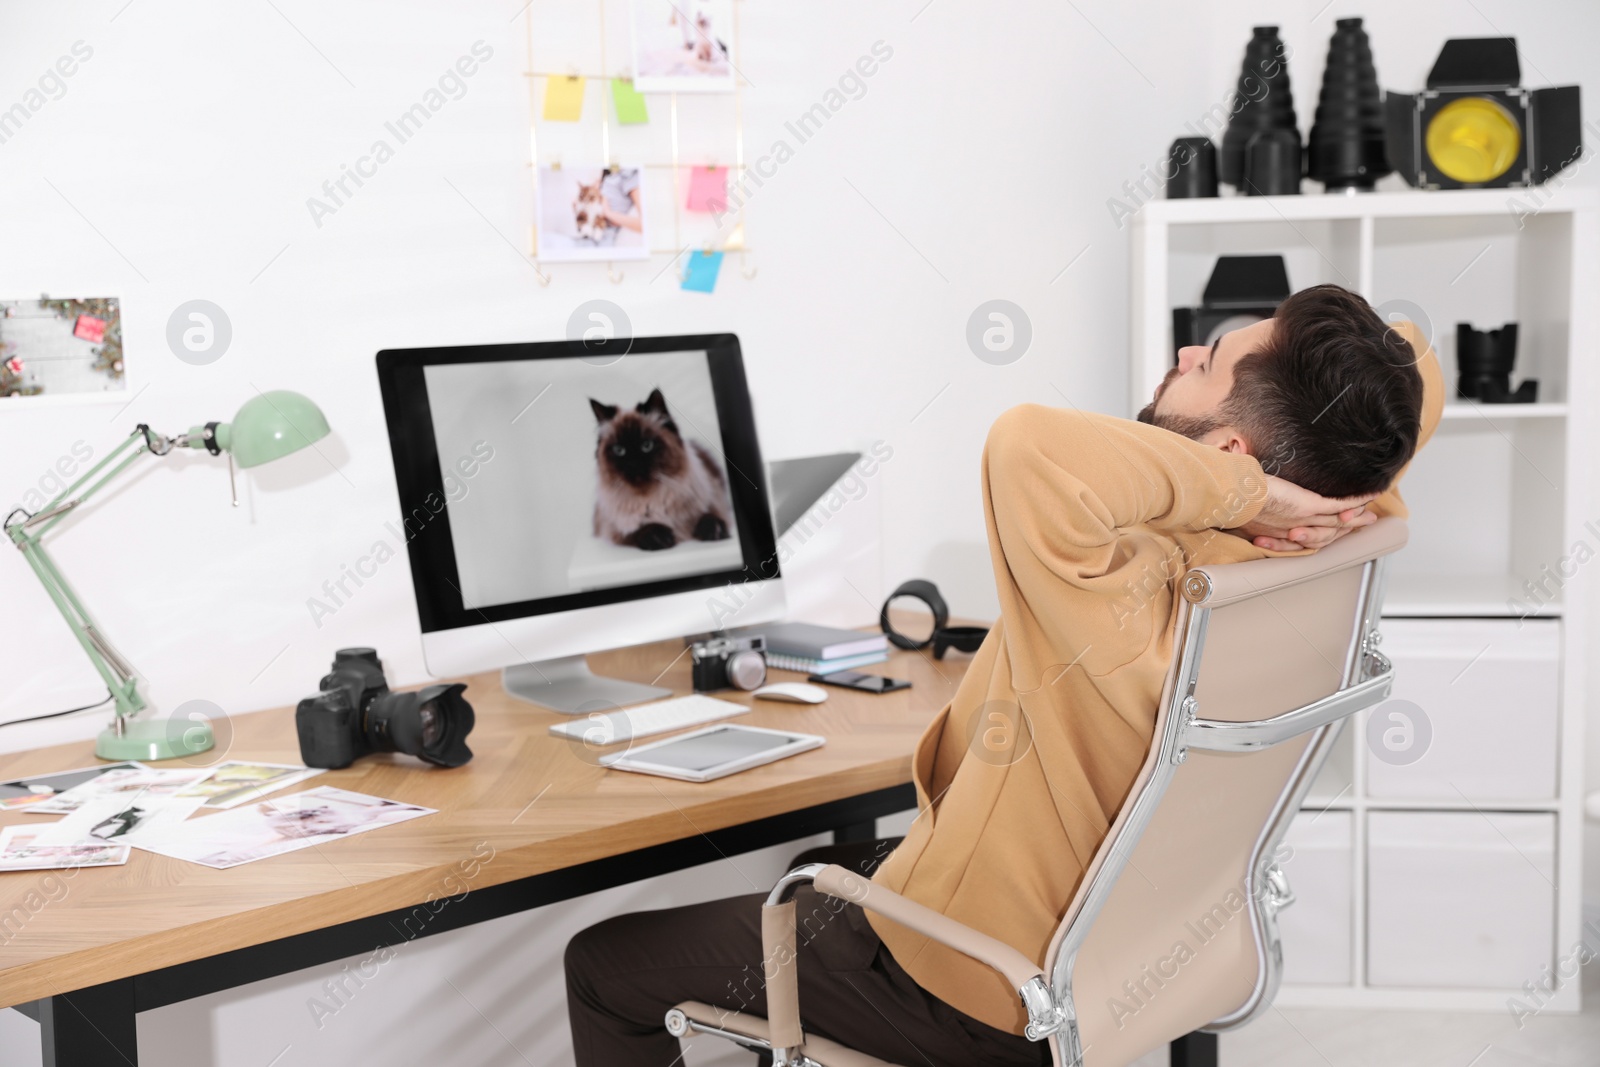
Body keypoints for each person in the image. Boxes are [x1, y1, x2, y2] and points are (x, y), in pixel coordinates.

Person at [564, 284, 1444, 1066]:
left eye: (1207, 360)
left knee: (603, 966)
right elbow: (1414, 361)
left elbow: (1029, 444)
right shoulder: (1343, 513)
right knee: (824, 861)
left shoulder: (1127, 579)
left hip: (976, 992)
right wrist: (1276, 485)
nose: (1184, 351)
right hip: (1112, 965)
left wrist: (1249, 491)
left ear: (1231, 454)